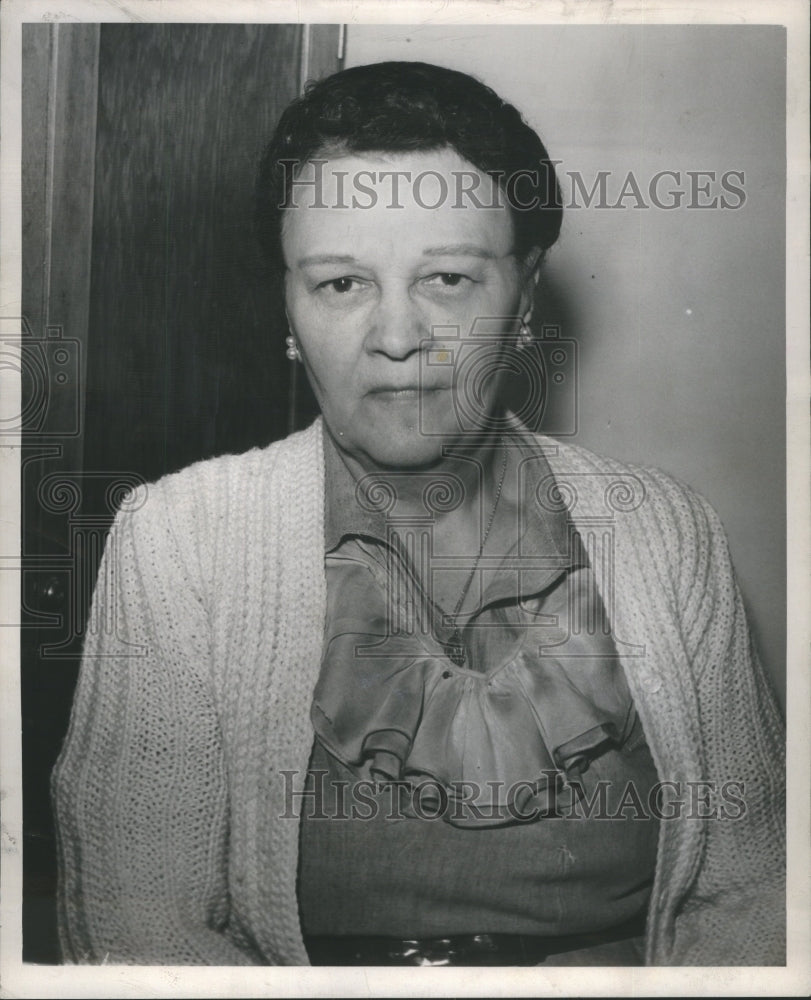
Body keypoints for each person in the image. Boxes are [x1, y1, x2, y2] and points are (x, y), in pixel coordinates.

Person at [51, 60, 785, 967]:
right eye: (339, 285)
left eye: (446, 278)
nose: (395, 337)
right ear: (287, 310)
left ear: (523, 295)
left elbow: (757, 890)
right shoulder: (180, 540)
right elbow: (140, 925)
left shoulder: (664, 533)